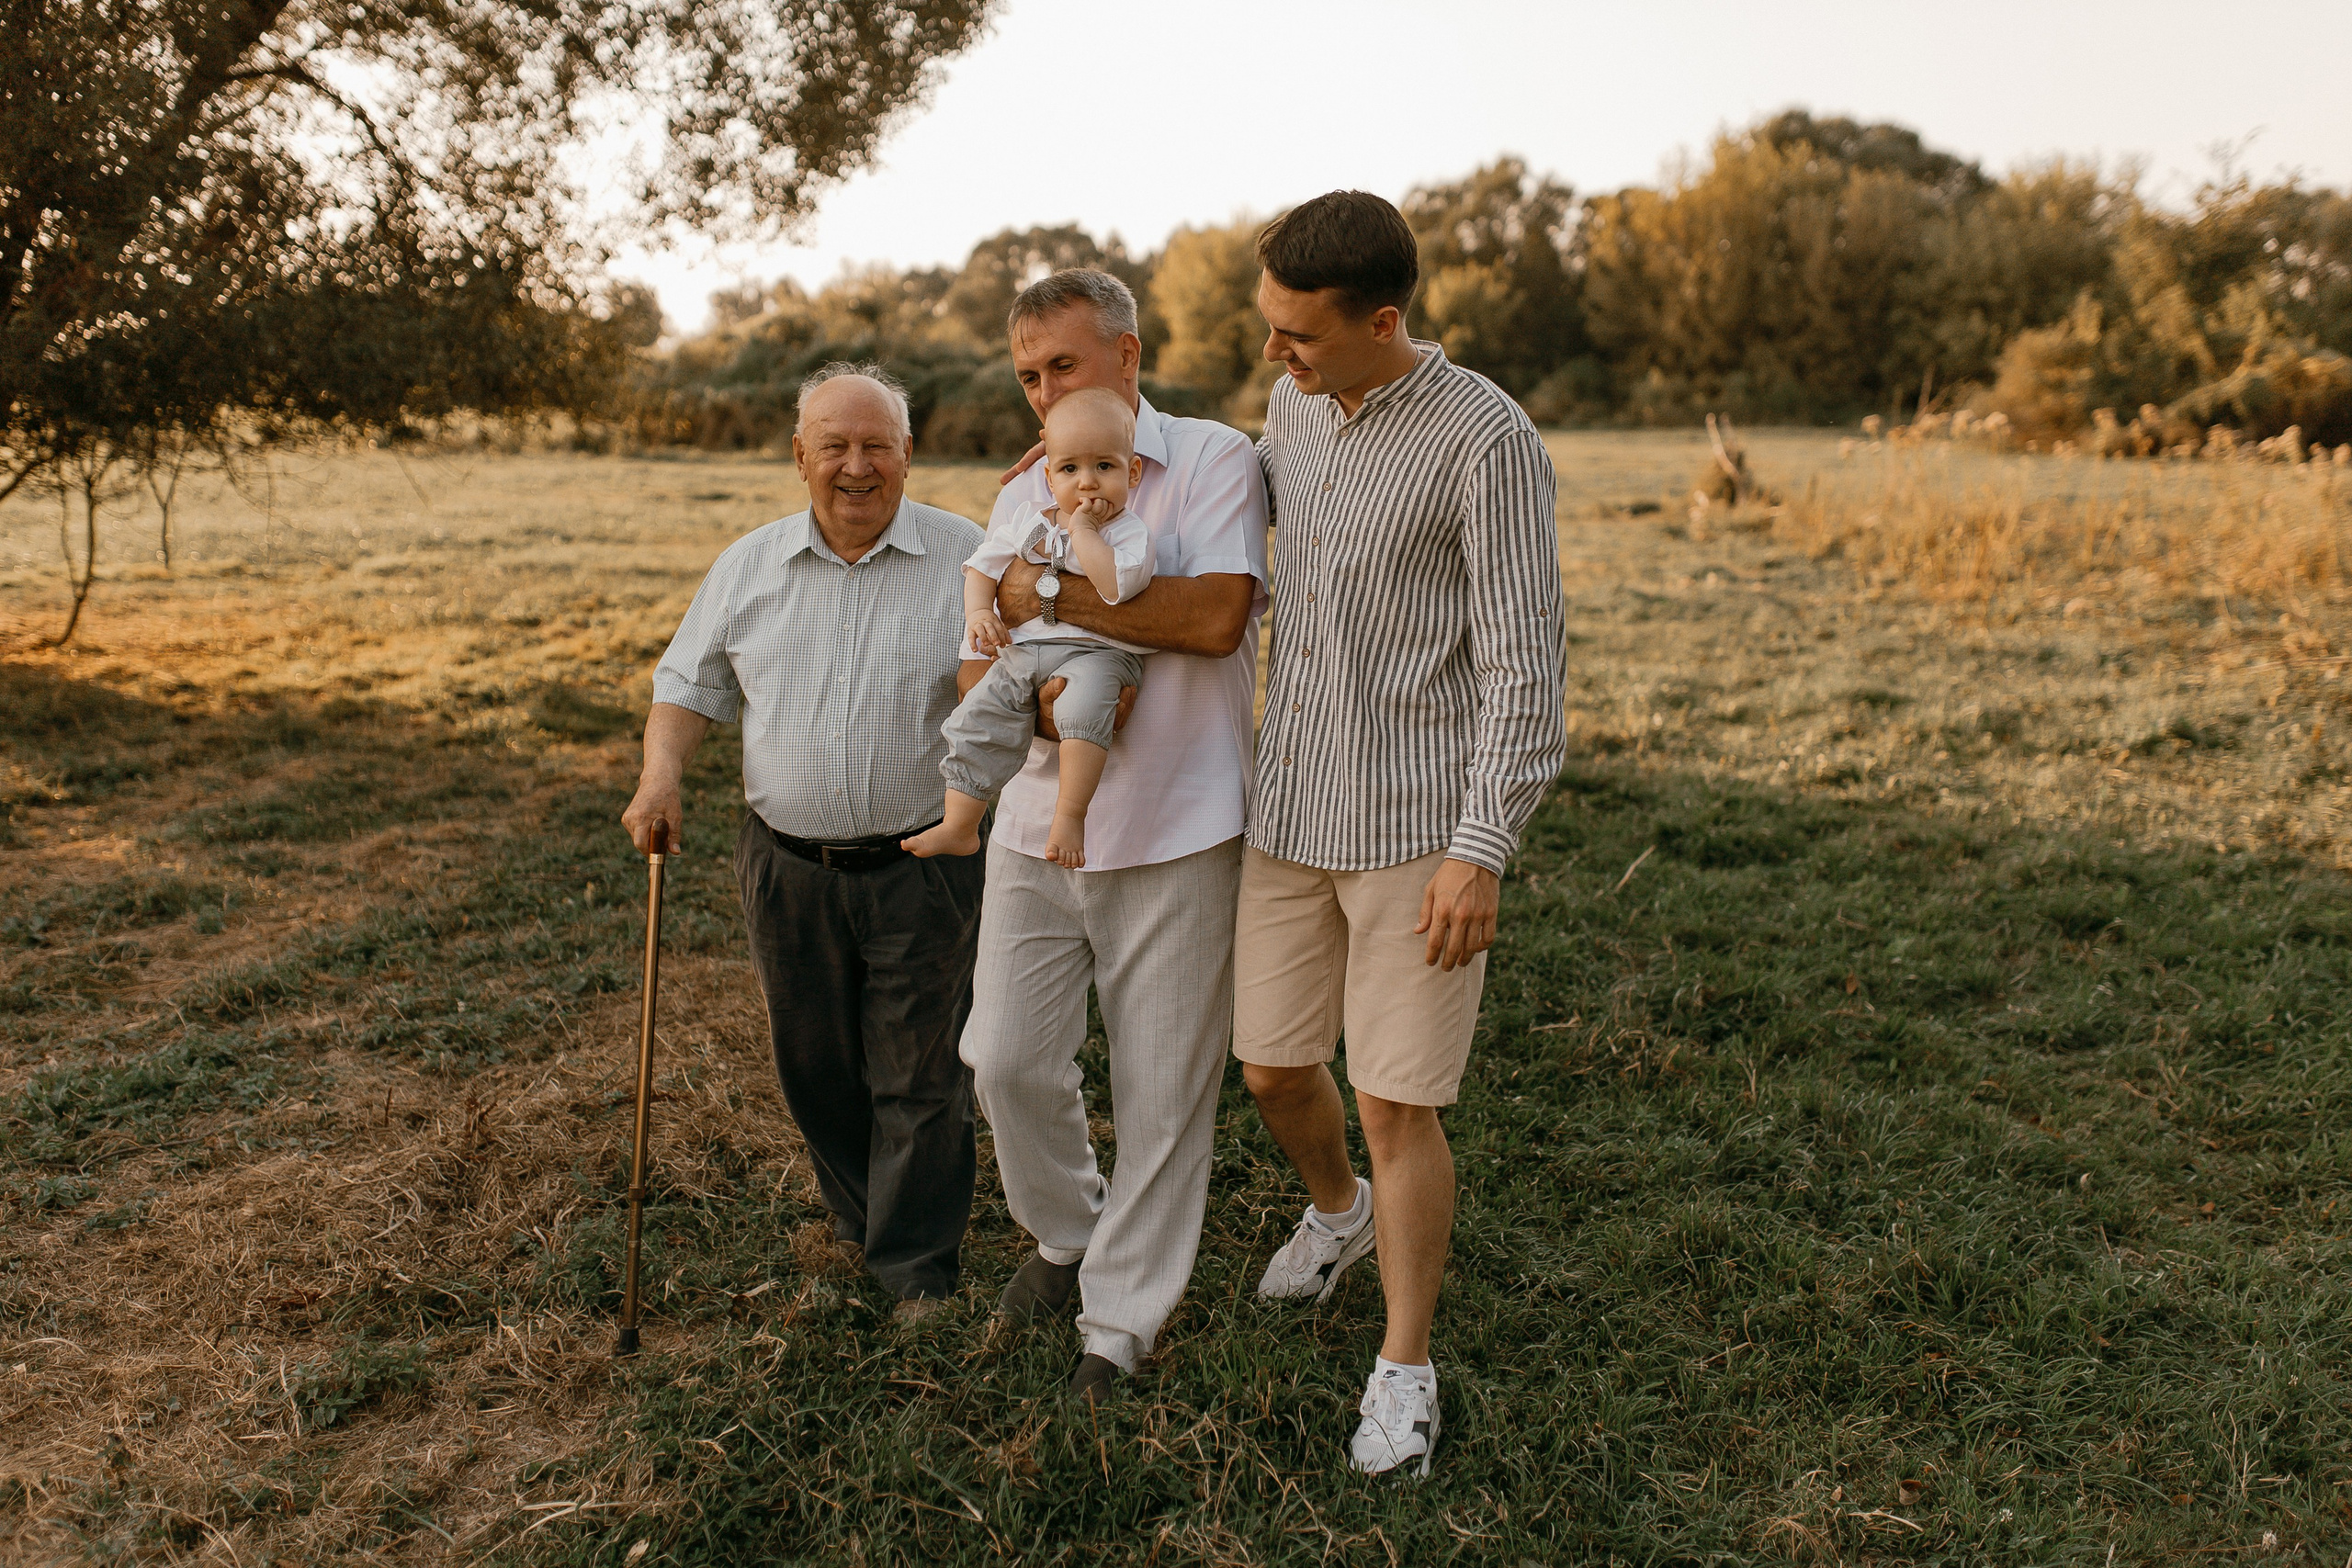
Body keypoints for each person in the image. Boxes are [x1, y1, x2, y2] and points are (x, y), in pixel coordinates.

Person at [1234, 192, 1567, 1476]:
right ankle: (1338, 1215)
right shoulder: (1293, 408)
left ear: (1385, 320)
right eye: (1268, 328)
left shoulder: (1489, 439)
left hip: (1418, 830)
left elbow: (1525, 666)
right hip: (1288, 807)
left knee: (1393, 1099)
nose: (1276, 355)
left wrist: (1481, 846)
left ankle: (1404, 1363)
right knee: (1268, 1066)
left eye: (1299, 334)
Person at [956, 268, 1269, 1404]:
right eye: (1029, 378)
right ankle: (1065, 1232)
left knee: (1159, 1092)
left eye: (1065, 368)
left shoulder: (1216, 459)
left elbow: (1212, 614)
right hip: (1035, 825)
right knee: (1004, 1058)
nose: (1045, 397)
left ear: (1128, 357)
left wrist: (1047, 592)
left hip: (1181, 822)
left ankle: (1119, 1328)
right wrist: (1033, 662)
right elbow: (976, 648)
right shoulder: (1031, 477)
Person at [620, 363, 986, 1324]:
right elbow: (689, 685)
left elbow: (1014, 693)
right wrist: (661, 774)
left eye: (877, 446)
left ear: (909, 454)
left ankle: (915, 1270)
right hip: (785, 865)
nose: (856, 466)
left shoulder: (969, 560)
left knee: (921, 1070)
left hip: (926, 864)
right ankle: (865, 1215)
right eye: (835, 445)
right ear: (800, 457)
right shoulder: (749, 565)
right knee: (814, 1064)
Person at [903, 388, 1152, 868]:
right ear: (1049, 475)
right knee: (981, 715)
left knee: (1082, 709)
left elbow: (1115, 587)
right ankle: (960, 823)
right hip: (1024, 652)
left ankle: (1070, 814)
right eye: (1070, 469)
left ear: (1132, 472)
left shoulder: (1128, 531)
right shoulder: (1028, 522)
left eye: (1105, 467)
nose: (1087, 484)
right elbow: (983, 567)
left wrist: (1083, 532)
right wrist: (979, 613)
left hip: (1097, 655)